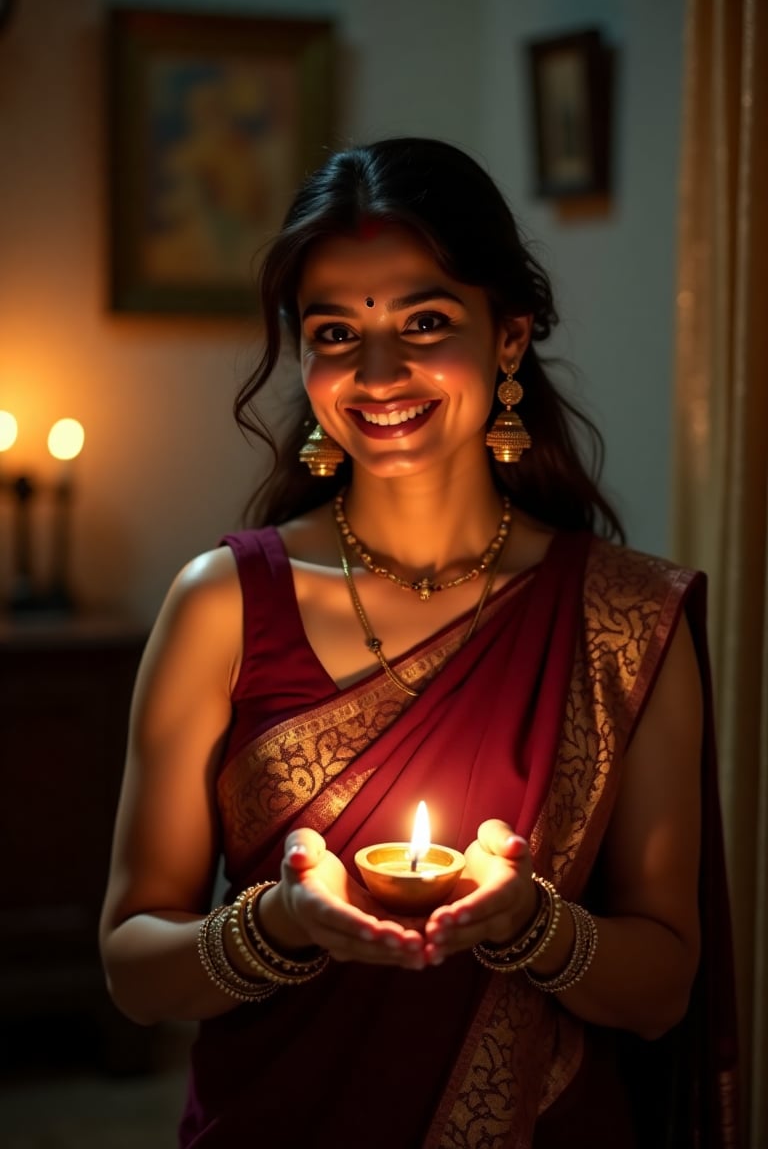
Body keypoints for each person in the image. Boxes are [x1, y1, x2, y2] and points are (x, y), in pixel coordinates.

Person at [100, 137, 739, 1148]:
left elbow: (663, 989)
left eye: (425, 321)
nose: (379, 372)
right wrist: (279, 925)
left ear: (511, 336)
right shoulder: (222, 602)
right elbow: (134, 968)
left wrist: (530, 923)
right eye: (334, 333)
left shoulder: (622, 618)